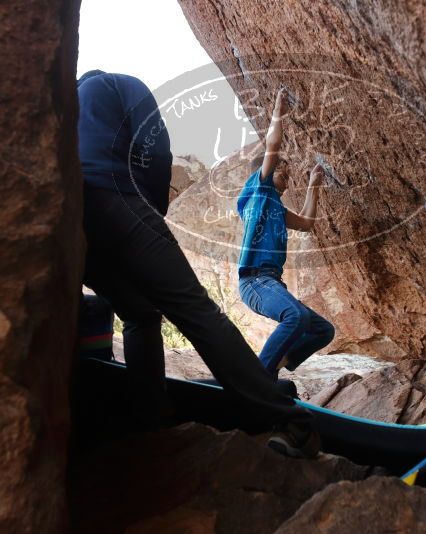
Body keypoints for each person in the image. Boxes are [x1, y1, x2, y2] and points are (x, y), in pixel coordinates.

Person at [76, 70, 319, 458]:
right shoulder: (116, 83)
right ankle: (291, 421)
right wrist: (149, 214)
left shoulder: (63, 106)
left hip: (74, 219)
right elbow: (155, 151)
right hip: (119, 198)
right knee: (197, 312)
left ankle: (150, 418)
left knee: (139, 313)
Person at [238, 88, 335, 378]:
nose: (287, 182)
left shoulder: (277, 209)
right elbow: (273, 147)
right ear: (265, 174)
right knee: (296, 316)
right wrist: (278, 112)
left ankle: (274, 368)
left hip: (271, 282)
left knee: (322, 330)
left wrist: (313, 186)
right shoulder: (259, 190)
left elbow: (306, 223)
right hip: (254, 281)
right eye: (284, 175)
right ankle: (258, 378)